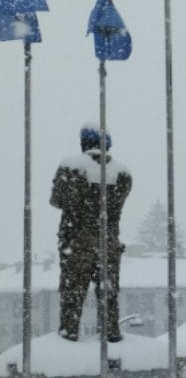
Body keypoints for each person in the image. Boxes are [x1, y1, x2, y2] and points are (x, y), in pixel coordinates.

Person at [50, 123, 132, 342]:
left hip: (76, 243)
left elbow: (56, 200)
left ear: (84, 143)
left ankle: (69, 334)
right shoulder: (122, 173)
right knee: (108, 295)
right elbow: (117, 204)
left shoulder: (70, 167)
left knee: (72, 295)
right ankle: (111, 334)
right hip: (109, 244)